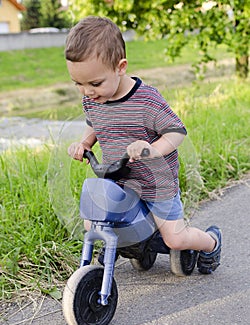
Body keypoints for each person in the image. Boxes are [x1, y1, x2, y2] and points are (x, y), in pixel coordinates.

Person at [65, 16, 222, 274]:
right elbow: (94, 123)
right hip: (119, 180)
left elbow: (177, 132)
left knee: (175, 239)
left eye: (94, 83)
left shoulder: (146, 101)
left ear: (120, 67)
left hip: (156, 183)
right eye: (78, 84)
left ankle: (211, 242)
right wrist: (84, 143)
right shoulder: (94, 99)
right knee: (92, 223)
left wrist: (151, 150)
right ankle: (134, 245)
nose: (86, 92)